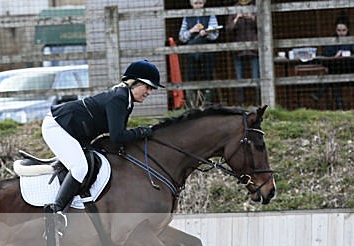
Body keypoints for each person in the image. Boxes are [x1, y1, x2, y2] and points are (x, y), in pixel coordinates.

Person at [42, 60, 163, 214]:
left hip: (72, 130)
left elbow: (118, 137)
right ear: (134, 82)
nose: (149, 92)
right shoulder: (119, 98)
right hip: (57, 126)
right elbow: (117, 137)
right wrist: (141, 132)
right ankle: (56, 211)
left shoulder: (126, 101)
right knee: (80, 168)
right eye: (147, 87)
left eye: (152, 89)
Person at [312, 17, 354, 109]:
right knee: (335, 77)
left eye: (343, 30)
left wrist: (345, 53)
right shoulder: (332, 41)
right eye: (339, 30)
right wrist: (335, 55)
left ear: (348, 30)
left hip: (351, 69)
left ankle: (320, 94)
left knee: (333, 75)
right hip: (337, 69)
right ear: (335, 30)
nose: (341, 33)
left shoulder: (353, 40)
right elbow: (325, 55)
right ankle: (339, 106)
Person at [179, 0, 220, 103]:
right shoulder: (187, 16)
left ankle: (207, 103)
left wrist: (206, 33)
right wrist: (191, 31)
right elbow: (182, 37)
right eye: (196, 3)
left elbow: (215, 35)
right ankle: (192, 103)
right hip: (191, 52)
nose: (198, 6)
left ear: (204, 3)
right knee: (191, 77)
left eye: (200, 3)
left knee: (208, 76)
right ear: (191, 4)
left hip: (206, 50)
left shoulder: (210, 15)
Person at [226, 0, 260, 105]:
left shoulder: (256, 6)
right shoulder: (234, 8)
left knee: (256, 77)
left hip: (254, 49)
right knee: (239, 78)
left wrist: (252, 17)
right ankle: (240, 104)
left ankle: (258, 103)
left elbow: (263, 26)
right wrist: (237, 18)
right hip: (238, 49)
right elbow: (228, 29)